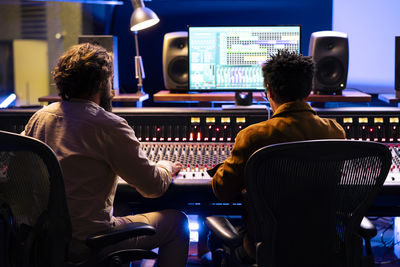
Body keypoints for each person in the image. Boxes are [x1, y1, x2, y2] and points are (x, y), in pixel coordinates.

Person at [22, 43, 189, 267]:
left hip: (44, 242)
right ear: (102, 82)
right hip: (88, 244)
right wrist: (166, 166)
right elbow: (153, 187)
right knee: (178, 223)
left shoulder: (40, 118)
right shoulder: (108, 125)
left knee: (124, 209)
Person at [208, 50, 346, 263]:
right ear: (308, 91)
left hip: (267, 248)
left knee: (216, 240)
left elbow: (222, 191)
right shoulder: (335, 132)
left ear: (269, 91)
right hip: (322, 247)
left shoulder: (253, 136)